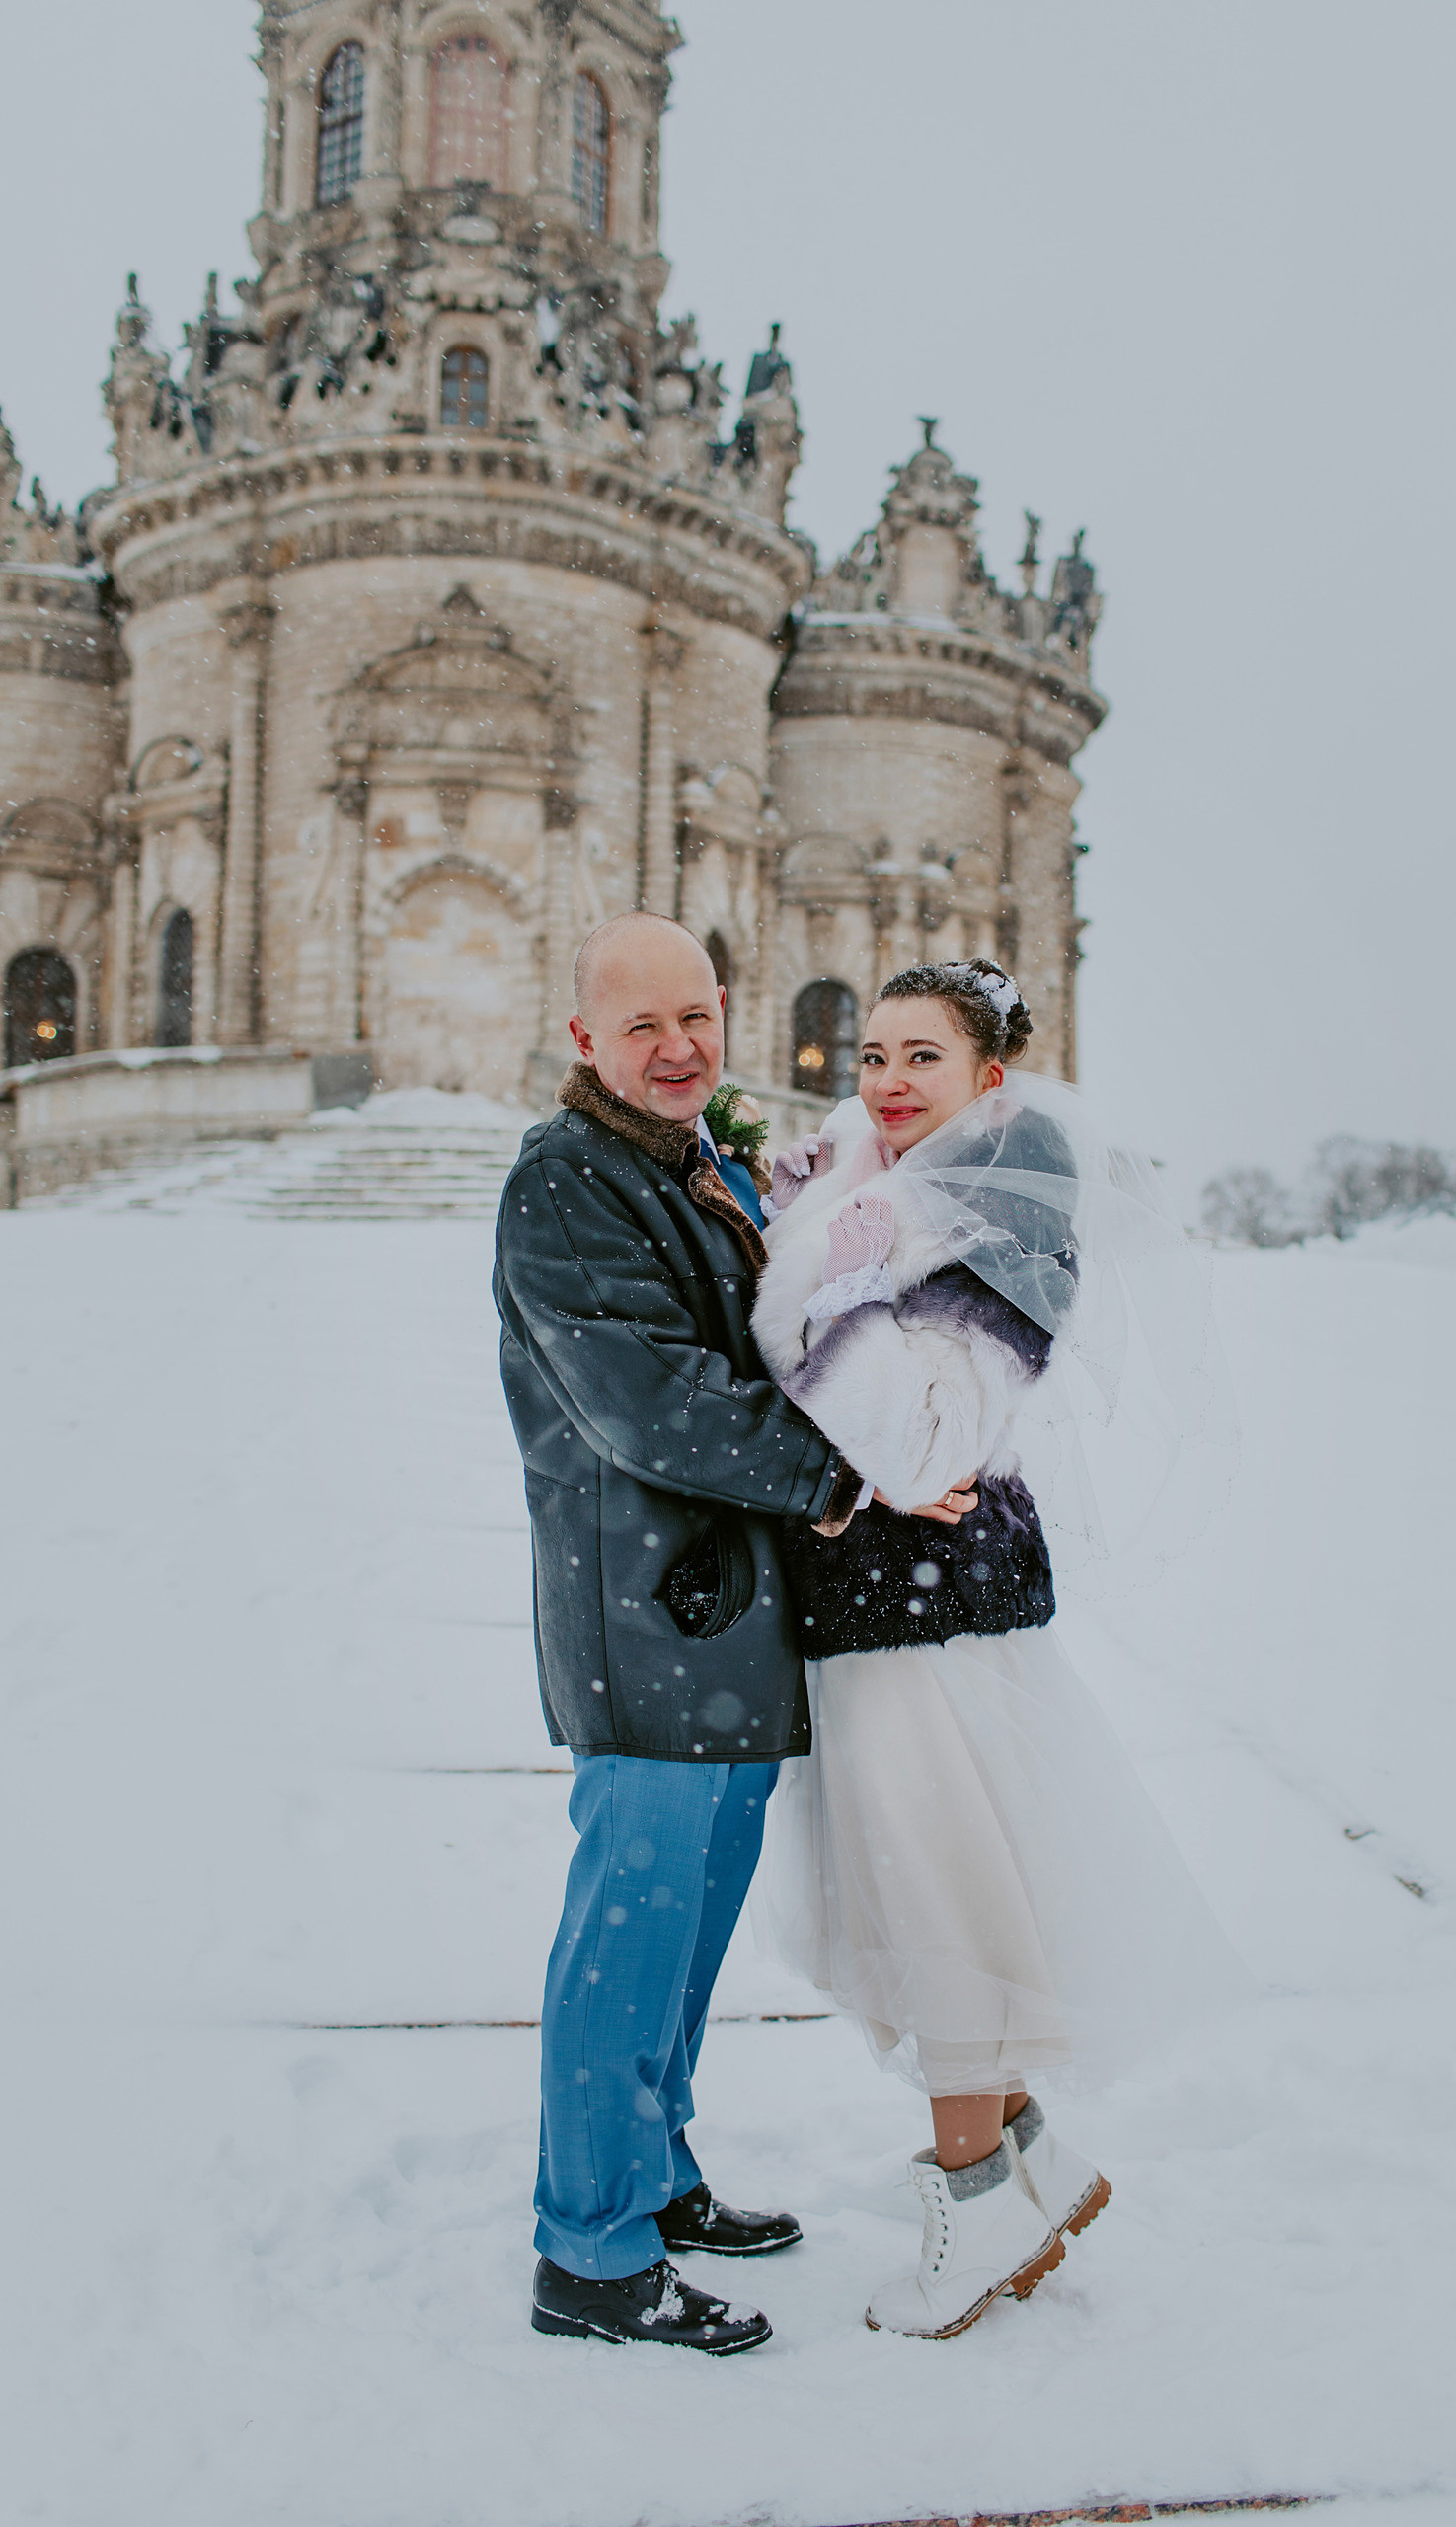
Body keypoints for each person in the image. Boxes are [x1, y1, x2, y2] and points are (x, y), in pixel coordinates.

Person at [492, 912, 976, 2354]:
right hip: (646, 1622)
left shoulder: (691, 1162)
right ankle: (589, 2251)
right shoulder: (567, 1184)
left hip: (729, 1613)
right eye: (642, 1024)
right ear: (585, 1038)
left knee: (684, 1940)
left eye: (696, 1014)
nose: (679, 1046)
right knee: (626, 1940)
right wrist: (855, 1470)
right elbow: (654, 1404)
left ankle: (656, 2178)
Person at [750, 957, 1246, 2340]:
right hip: (876, 1602)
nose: (892, 1082)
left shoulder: (993, 1230)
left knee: (939, 1907)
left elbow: (926, 1436)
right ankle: (1036, 2163)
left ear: (991, 1079)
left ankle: (973, 2209)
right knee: (916, 1896)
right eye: (875, 1056)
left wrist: (807, 1305)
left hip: (924, 1614)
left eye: (925, 1058)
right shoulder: (867, 1195)